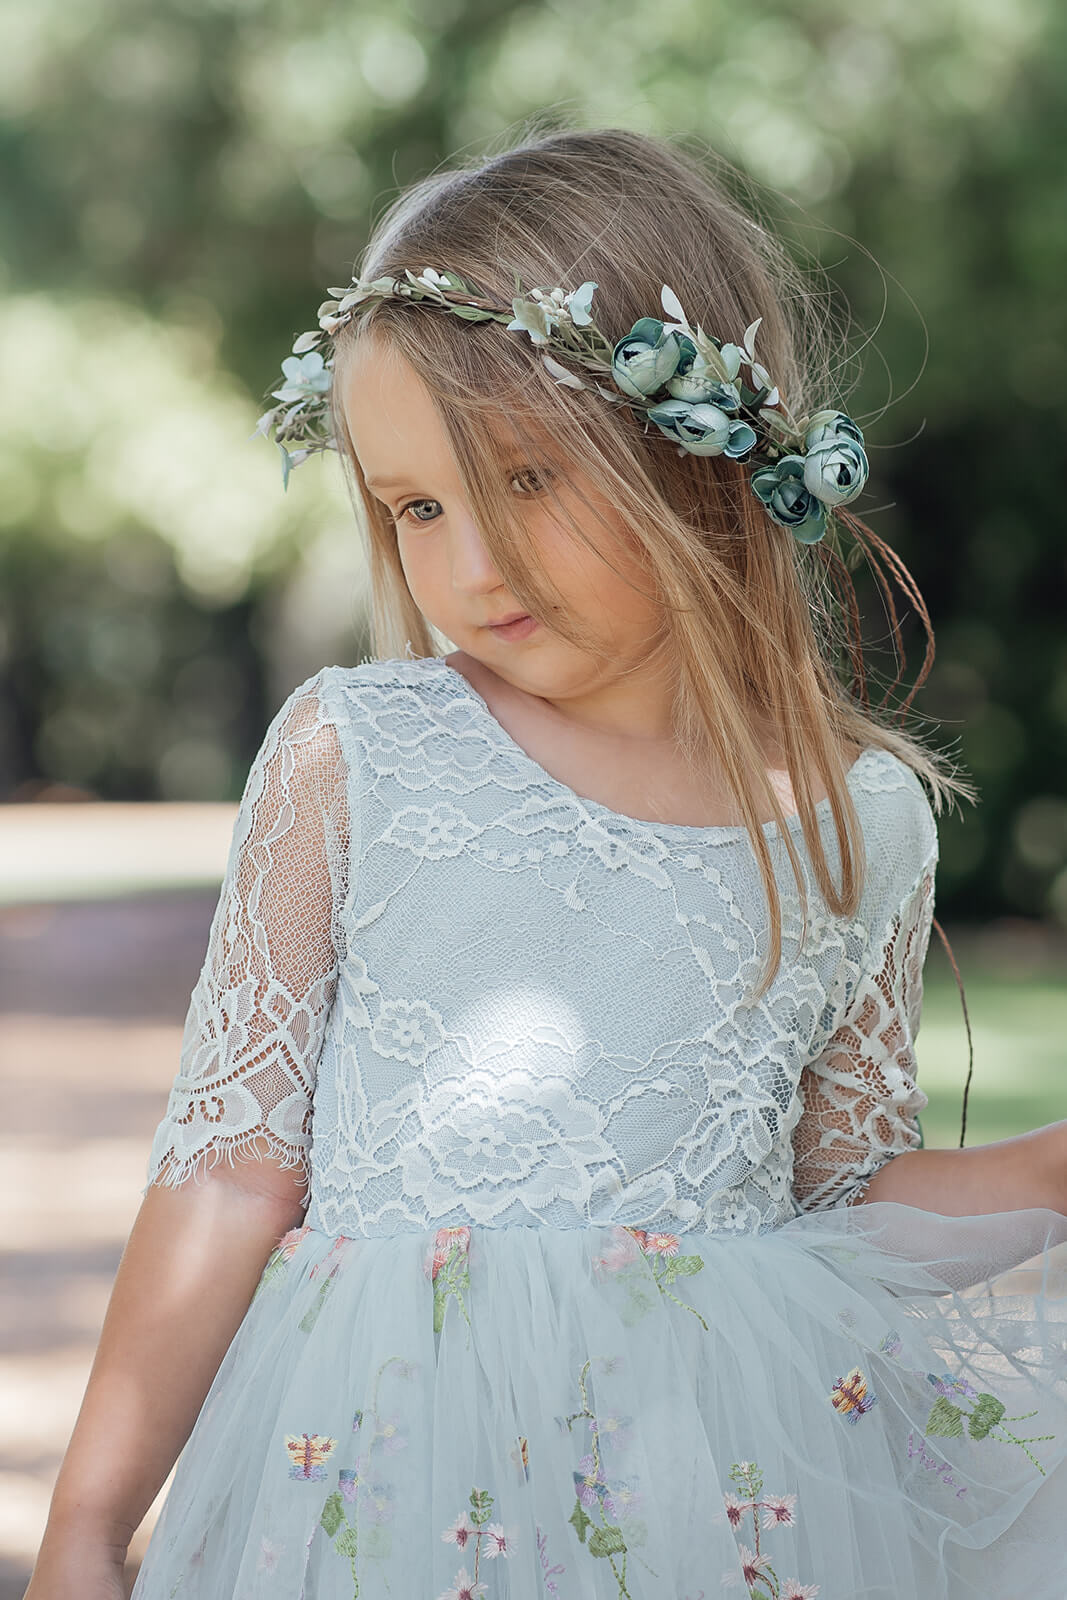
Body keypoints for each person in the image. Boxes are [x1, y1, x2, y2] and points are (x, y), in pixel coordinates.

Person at [25, 126, 1067, 1600]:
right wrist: (84, 1526)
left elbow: (840, 1205)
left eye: (524, 479)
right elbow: (228, 1172)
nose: (467, 566)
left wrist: (1047, 1170)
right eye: (417, 508)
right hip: (380, 1487)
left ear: (696, 447)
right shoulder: (359, 754)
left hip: (718, 1501)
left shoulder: (860, 817)